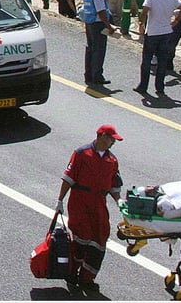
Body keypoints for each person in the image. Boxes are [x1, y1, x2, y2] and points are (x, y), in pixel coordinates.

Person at [56, 125, 123, 293]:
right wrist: (60, 200)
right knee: (82, 238)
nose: (113, 142)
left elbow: (114, 185)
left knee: (100, 239)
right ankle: (72, 272)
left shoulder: (112, 161)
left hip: (99, 204)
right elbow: (68, 178)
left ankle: (87, 279)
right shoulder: (81, 153)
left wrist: (119, 201)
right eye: (111, 139)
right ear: (101, 136)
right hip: (80, 202)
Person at [137, 0, 181, 95]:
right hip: (166, 32)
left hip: (152, 32)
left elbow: (144, 12)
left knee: (147, 60)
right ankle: (160, 87)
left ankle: (143, 86)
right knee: (162, 61)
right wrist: (176, 21)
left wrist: (141, 24)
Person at [81, 0, 117, 85]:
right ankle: (97, 76)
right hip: (98, 24)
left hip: (89, 23)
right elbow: (101, 12)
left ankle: (88, 74)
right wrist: (109, 26)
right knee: (99, 50)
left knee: (90, 49)